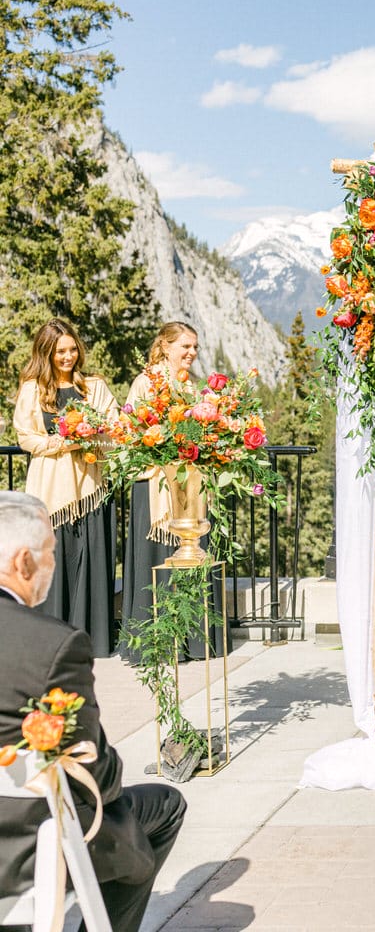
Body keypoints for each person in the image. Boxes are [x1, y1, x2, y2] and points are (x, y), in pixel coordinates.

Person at [0, 491, 187, 932]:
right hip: (23, 846)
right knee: (162, 806)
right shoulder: (52, 644)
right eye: (49, 554)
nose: (52, 566)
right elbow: (98, 779)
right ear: (24, 562)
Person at [11, 319, 118, 657]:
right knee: (53, 563)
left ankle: (91, 640)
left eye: (72, 349)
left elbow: (115, 428)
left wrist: (93, 437)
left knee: (89, 561)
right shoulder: (32, 389)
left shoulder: (94, 387)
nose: (68, 356)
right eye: (60, 351)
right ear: (47, 353)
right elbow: (26, 438)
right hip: (51, 488)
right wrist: (63, 442)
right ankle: (52, 641)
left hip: (90, 487)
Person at [118, 321, 216, 663]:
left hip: (189, 488)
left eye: (195, 348)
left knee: (191, 559)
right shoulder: (146, 383)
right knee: (157, 561)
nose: (191, 353)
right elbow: (128, 432)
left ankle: (192, 641)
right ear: (165, 346)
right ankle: (158, 643)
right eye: (185, 346)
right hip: (156, 488)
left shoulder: (191, 387)